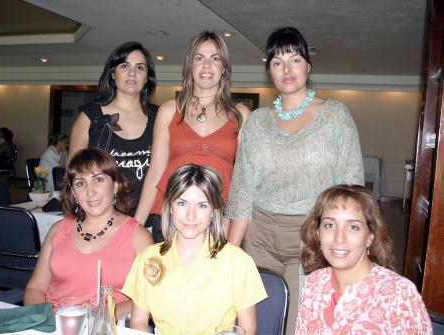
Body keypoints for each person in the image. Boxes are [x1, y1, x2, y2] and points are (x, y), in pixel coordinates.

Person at [226, 26, 364, 332]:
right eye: (277, 62)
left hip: (310, 236)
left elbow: (352, 190)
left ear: (308, 66)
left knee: (298, 324)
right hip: (259, 236)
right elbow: (243, 189)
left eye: (294, 59)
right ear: (269, 72)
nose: (286, 69)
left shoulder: (335, 116)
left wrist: (351, 243)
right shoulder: (257, 122)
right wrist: (229, 256)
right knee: (253, 322)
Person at [123, 164, 267, 335]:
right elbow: (138, 321)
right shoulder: (148, 258)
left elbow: (247, 330)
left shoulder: (238, 262)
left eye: (201, 206)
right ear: (170, 207)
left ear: (213, 211)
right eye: (182, 203)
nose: (190, 216)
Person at [134, 31, 250, 242]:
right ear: (190, 65)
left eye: (215, 58)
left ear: (224, 67)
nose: (207, 65)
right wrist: (135, 227)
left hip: (218, 220)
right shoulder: (169, 110)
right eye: (199, 58)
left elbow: (244, 181)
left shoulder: (240, 114)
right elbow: (156, 171)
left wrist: (232, 227)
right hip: (170, 217)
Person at [24, 148, 153, 317]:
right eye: (80, 183)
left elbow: (151, 299)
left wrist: (103, 314)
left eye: (98, 179)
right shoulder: (58, 230)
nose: (90, 192)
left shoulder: (138, 237)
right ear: (73, 193)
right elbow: (35, 289)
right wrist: (45, 322)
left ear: (115, 186)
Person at [296, 184, 432, 334]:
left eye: (353, 227)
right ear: (317, 233)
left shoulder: (399, 295)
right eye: (329, 225)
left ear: (370, 237)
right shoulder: (313, 284)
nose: (339, 238)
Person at [69, 41, 157, 214]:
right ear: (112, 74)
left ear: (146, 78)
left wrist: (136, 225)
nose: (132, 73)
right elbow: (75, 175)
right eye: (124, 65)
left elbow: (160, 174)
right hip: (100, 219)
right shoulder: (89, 116)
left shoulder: (159, 117)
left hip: (146, 220)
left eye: (140, 68)